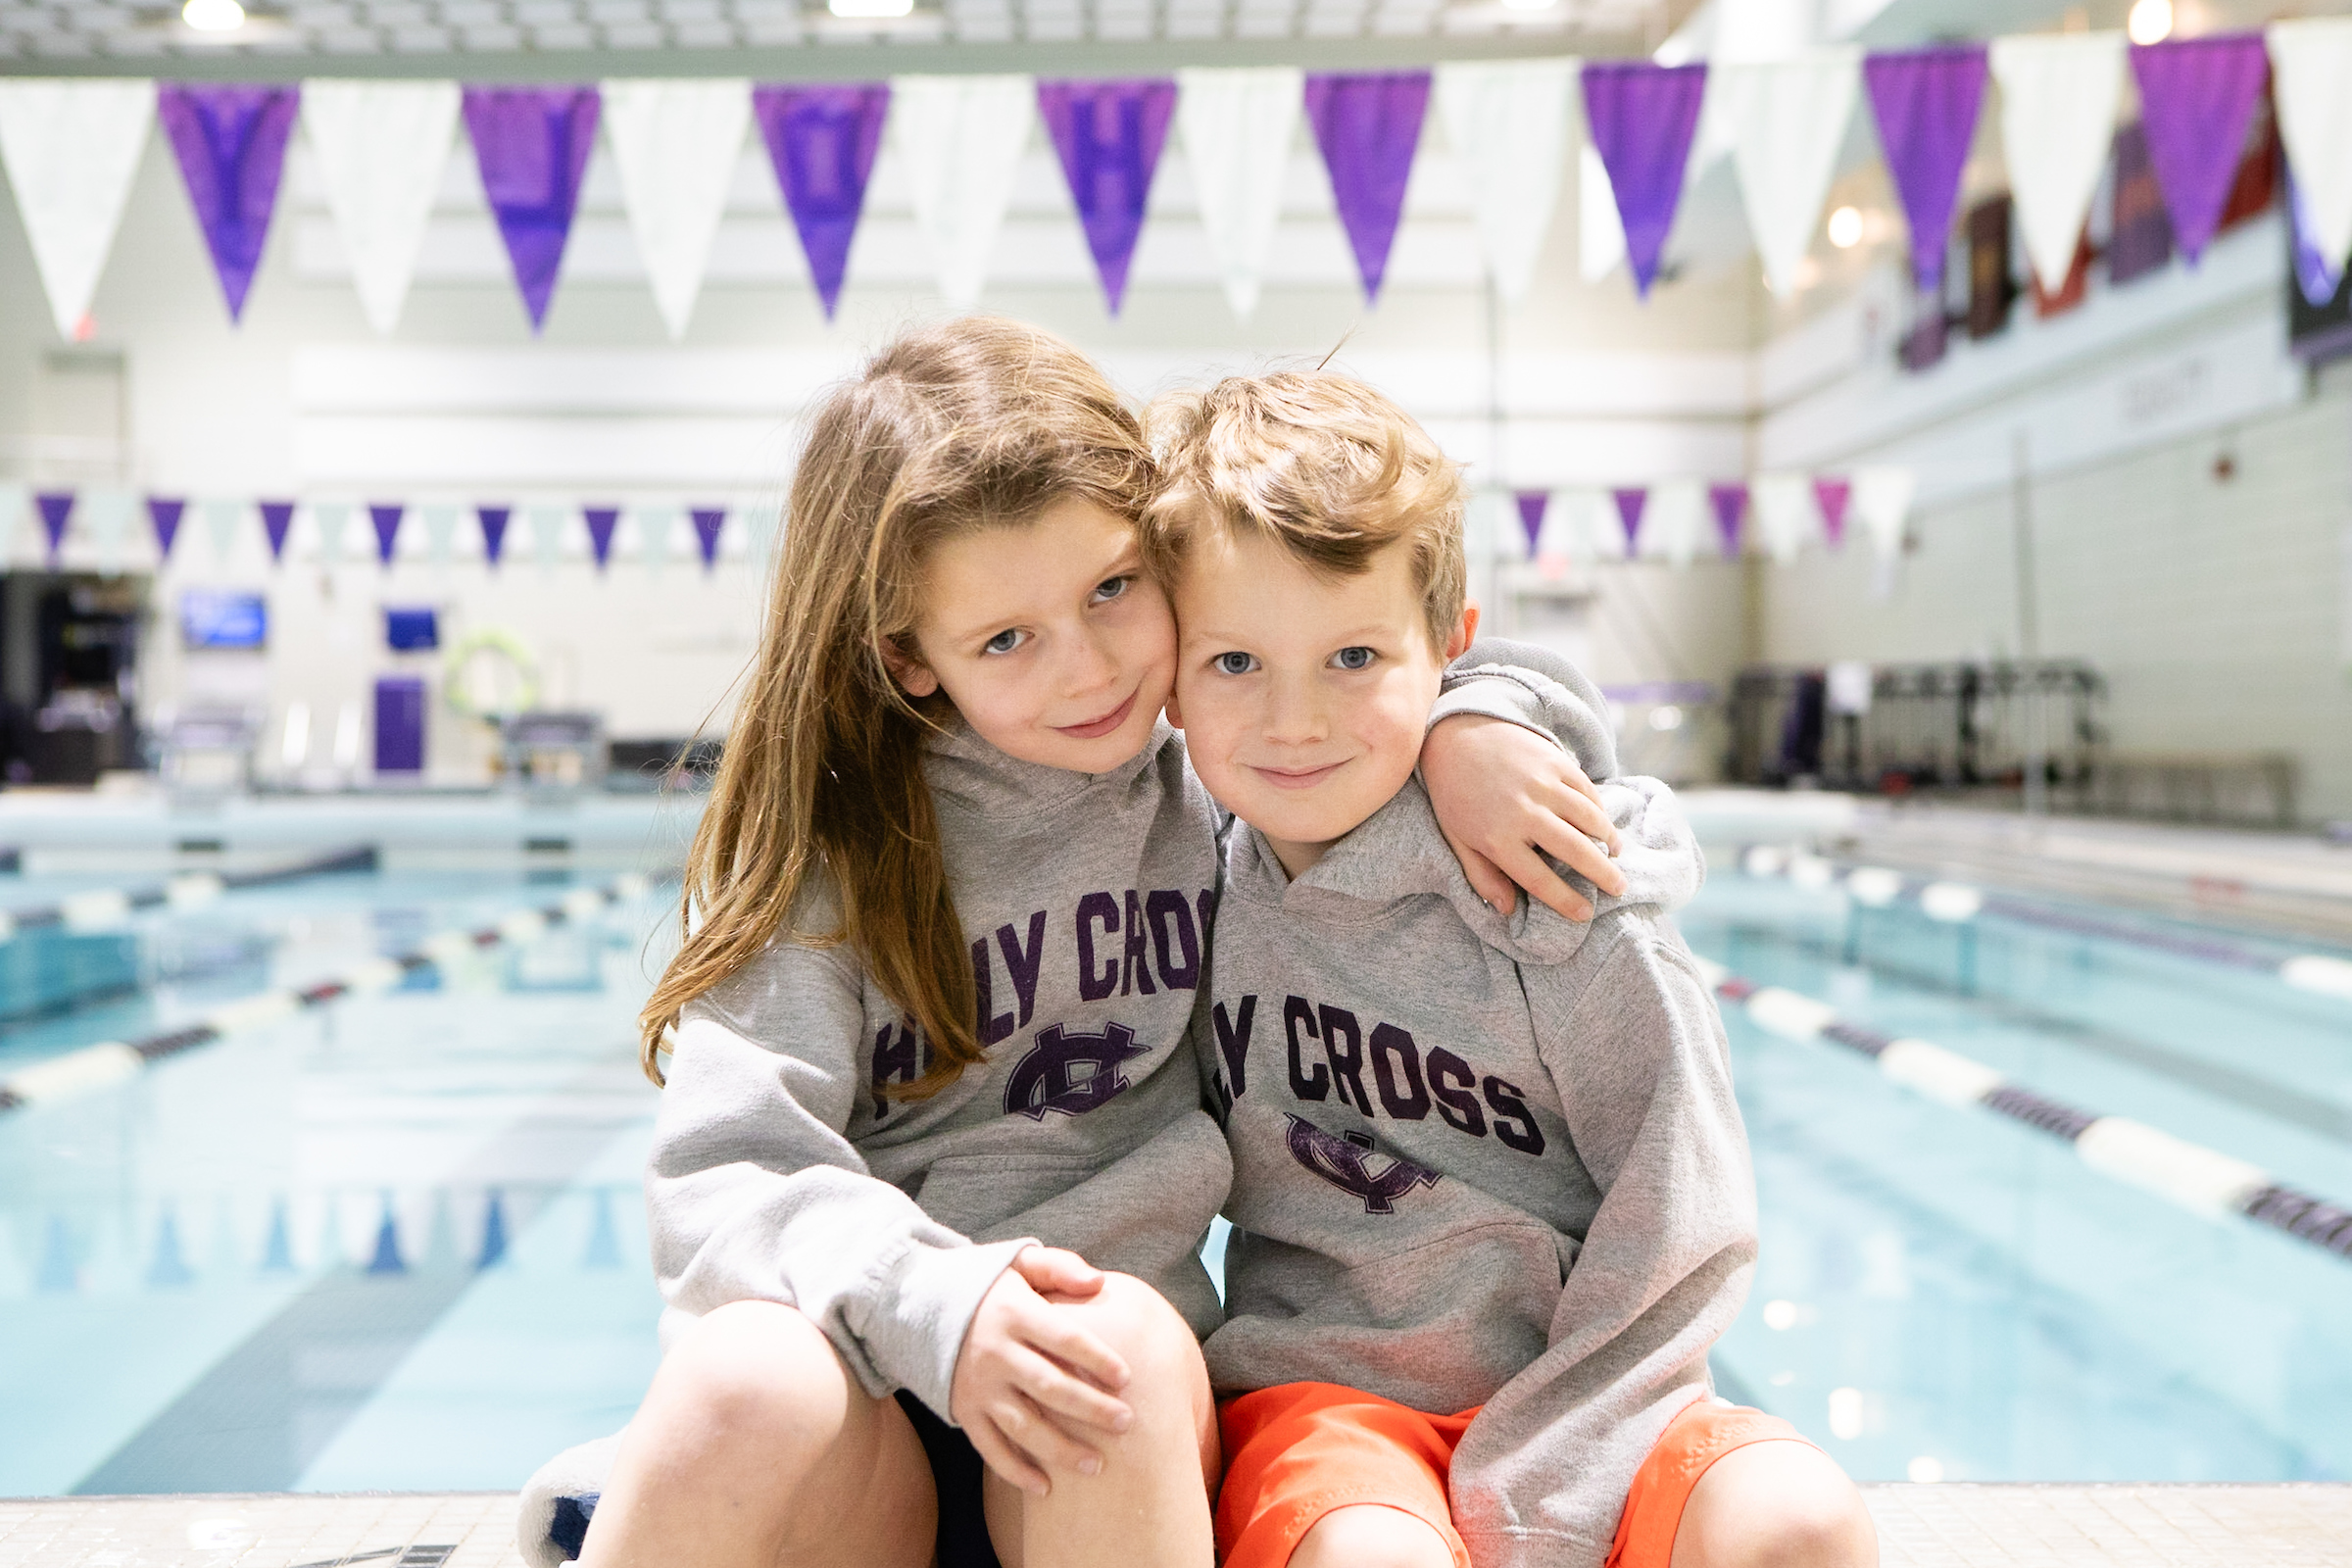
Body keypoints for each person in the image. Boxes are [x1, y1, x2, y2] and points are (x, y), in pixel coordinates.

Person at [557, 318, 1638, 1568]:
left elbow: (1374, 647)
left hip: (1106, 1446)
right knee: (742, 1369)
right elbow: (722, 1175)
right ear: (909, 656)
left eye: (1113, 589)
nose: (1090, 671)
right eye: (1006, 639)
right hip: (873, 1416)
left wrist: (1477, 719)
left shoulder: (1216, 783)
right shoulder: (830, 851)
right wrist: (941, 1305)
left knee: (1109, 1352)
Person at [1142, 370, 1881, 1568]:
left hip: (1607, 1396)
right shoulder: (1181, 883)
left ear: (1450, 646)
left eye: (1353, 656)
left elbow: (1685, 1208)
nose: (1294, 721)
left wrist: (1561, 1463)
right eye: (1235, 663)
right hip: (1331, 1403)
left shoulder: (1549, 891)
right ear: (1169, 670)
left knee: (1797, 1524)